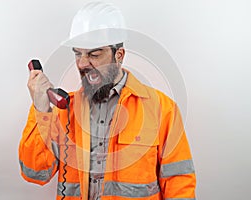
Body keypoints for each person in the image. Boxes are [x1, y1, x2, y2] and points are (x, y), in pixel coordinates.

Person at [19, 2, 196, 200]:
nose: (82, 63)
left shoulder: (162, 109)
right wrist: (41, 110)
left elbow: (179, 183)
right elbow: (35, 173)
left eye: (94, 54)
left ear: (118, 55)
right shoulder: (66, 111)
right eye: (78, 53)